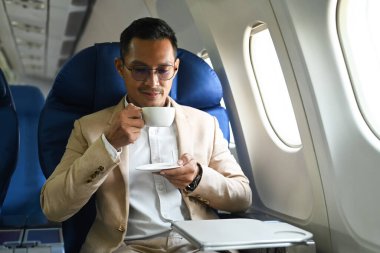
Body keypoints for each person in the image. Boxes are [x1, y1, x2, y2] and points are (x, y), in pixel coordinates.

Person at [40, 17, 252, 253]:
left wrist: (198, 178)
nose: (153, 83)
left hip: (197, 246)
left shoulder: (205, 124)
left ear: (176, 68)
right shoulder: (89, 128)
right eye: (140, 70)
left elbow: (242, 196)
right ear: (120, 68)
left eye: (163, 70)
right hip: (126, 248)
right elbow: (53, 206)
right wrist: (107, 146)